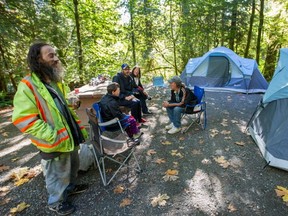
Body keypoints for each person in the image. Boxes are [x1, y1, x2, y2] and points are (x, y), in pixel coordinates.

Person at [12, 42, 88, 215]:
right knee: (57, 172)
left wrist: (72, 104)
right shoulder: (28, 85)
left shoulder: (55, 81)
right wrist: (51, 135)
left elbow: (59, 105)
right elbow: (23, 119)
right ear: (38, 59)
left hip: (69, 135)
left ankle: (70, 188)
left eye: (56, 54)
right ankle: (56, 202)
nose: (56, 59)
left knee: (72, 165)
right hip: (53, 140)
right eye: (51, 55)